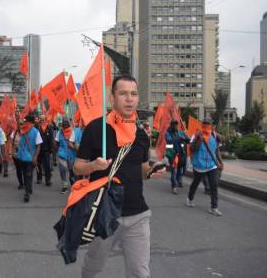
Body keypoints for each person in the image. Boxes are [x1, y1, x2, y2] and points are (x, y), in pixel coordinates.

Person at [73, 75, 165, 278]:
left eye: (133, 94)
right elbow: (77, 168)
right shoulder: (96, 128)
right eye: (123, 93)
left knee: (140, 272)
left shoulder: (141, 134)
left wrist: (152, 171)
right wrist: (93, 165)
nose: (129, 99)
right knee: (93, 267)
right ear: (112, 98)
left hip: (138, 215)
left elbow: (142, 172)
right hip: (105, 214)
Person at [187, 118, 224, 216]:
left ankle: (214, 207)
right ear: (202, 125)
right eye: (205, 124)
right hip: (199, 165)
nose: (206, 126)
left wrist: (221, 162)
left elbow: (216, 150)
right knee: (195, 183)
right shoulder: (196, 135)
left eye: (208, 124)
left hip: (212, 165)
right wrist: (199, 140)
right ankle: (190, 198)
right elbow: (192, 149)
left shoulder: (215, 136)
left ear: (212, 125)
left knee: (214, 185)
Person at [14, 114, 42, 202]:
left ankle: (27, 193)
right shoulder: (23, 129)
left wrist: (35, 157)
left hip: (30, 158)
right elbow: (18, 129)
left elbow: (38, 146)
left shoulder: (35, 132)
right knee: (25, 174)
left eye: (26, 121)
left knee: (28, 175)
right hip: (21, 157)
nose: (25, 122)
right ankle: (29, 188)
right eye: (24, 121)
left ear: (30, 122)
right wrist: (17, 119)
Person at [165, 119, 190, 194]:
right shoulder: (168, 133)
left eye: (176, 124)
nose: (175, 125)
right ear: (171, 125)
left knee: (181, 169)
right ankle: (174, 187)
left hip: (181, 154)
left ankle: (178, 179)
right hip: (172, 154)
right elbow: (169, 141)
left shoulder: (181, 132)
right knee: (174, 171)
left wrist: (187, 137)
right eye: (174, 124)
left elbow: (188, 141)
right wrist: (179, 138)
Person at [54, 117, 75, 194]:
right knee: (62, 170)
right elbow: (56, 142)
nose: (65, 124)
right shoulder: (59, 132)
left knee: (71, 171)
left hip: (71, 155)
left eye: (66, 123)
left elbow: (73, 143)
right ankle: (64, 185)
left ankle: (72, 181)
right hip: (62, 155)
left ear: (69, 124)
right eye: (63, 123)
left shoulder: (73, 132)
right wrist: (55, 152)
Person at [36, 114, 53, 186]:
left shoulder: (49, 127)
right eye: (41, 119)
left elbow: (51, 139)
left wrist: (51, 150)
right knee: (38, 164)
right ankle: (39, 179)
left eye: (43, 119)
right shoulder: (37, 127)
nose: (42, 120)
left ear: (45, 119)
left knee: (47, 166)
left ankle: (48, 180)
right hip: (38, 150)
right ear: (39, 120)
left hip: (46, 150)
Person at [10, 119, 25, 190]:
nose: (21, 125)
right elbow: (11, 143)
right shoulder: (14, 133)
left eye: (22, 124)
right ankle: (21, 183)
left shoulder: (27, 132)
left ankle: (26, 182)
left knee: (25, 169)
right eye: (19, 124)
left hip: (25, 154)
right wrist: (11, 153)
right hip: (16, 154)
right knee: (18, 169)